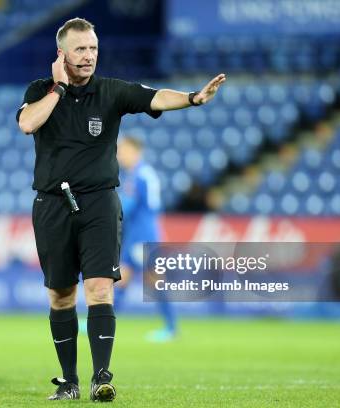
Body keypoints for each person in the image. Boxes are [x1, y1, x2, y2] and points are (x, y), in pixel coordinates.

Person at [16, 17, 225, 401]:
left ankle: (101, 377)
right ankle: (69, 381)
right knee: (61, 296)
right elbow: (28, 123)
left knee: (99, 289)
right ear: (61, 53)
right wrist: (59, 88)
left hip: (99, 203)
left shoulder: (111, 92)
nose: (89, 55)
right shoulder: (39, 90)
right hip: (52, 205)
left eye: (93, 48)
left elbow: (154, 96)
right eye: (80, 49)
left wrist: (193, 98)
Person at [116, 136, 177, 342]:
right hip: (135, 236)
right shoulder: (136, 174)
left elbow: (132, 208)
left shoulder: (141, 175)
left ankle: (170, 328)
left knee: (155, 282)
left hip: (143, 237)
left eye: (122, 150)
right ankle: (100, 324)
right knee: (121, 280)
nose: (119, 155)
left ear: (134, 150)